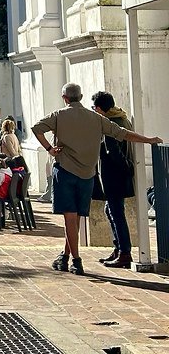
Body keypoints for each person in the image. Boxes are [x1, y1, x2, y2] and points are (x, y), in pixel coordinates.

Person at [33, 82, 161, 275]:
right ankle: (65, 255)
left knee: (70, 218)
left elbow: (36, 128)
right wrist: (149, 140)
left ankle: (75, 260)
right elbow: (123, 134)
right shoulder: (96, 118)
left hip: (65, 171)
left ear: (64, 98)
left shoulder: (58, 115)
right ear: (81, 96)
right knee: (76, 218)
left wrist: (50, 149)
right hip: (87, 174)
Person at [92, 91, 136, 269]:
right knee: (111, 211)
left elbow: (113, 151)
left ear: (101, 109)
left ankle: (124, 252)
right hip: (119, 175)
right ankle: (119, 248)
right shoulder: (122, 117)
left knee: (116, 213)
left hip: (113, 175)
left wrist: (126, 167)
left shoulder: (109, 124)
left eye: (95, 108)